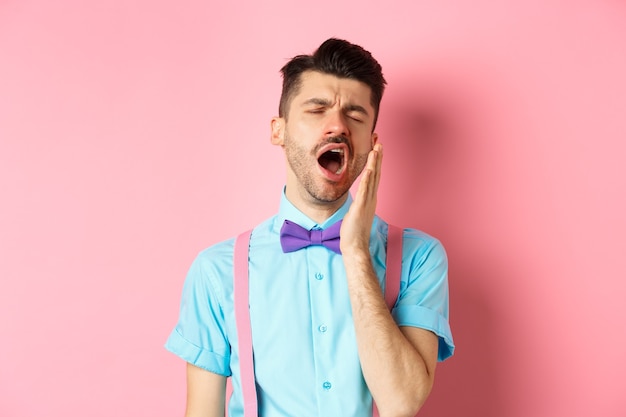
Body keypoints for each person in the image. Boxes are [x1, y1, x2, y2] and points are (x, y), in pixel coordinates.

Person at [165, 38, 454, 417]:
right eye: (317, 110)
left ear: (372, 142)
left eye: (355, 115)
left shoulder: (420, 257)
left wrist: (354, 251)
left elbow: (402, 402)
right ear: (278, 131)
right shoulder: (216, 270)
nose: (336, 126)